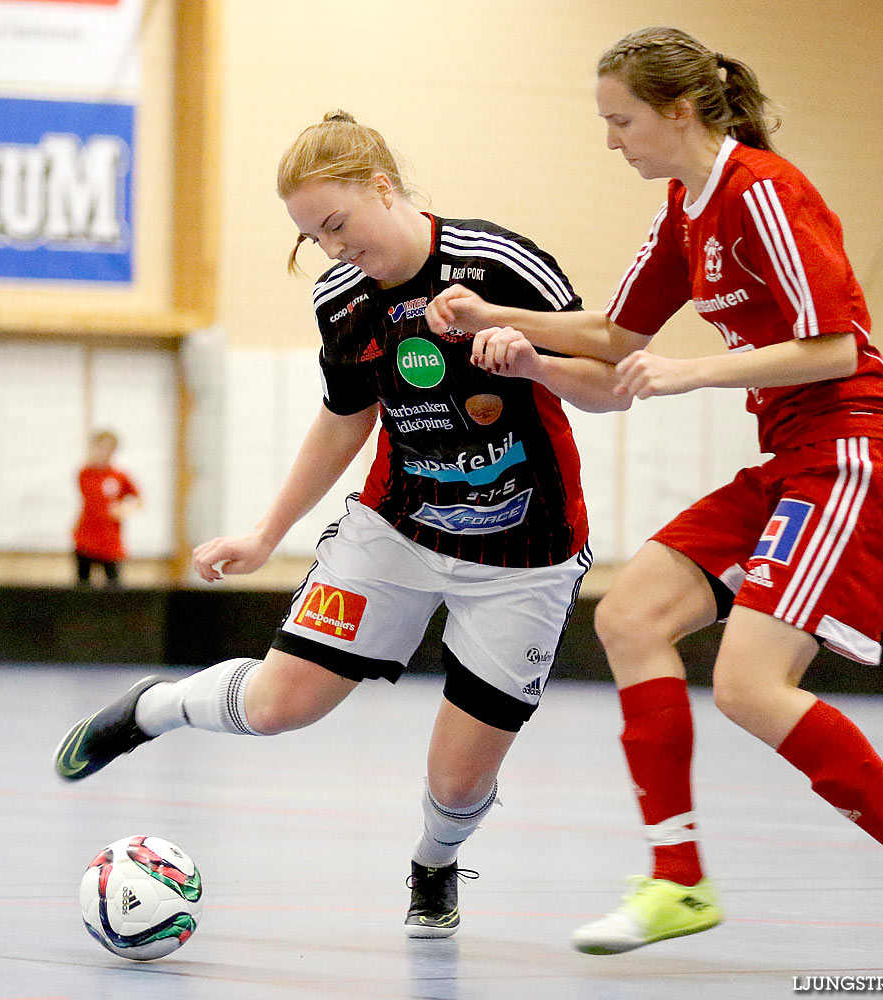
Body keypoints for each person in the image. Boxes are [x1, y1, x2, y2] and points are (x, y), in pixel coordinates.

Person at [427, 27, 883, 976]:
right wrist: (503, 324)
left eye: (622, 121)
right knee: (633, 615)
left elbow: (839, 349)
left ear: (680, 112)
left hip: (856, 450)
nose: (612, 140)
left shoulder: (764, 190)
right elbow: (612, 338)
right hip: (788, 456)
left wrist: (695, 371)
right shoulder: (684, 210)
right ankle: (679, 878)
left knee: (746, 685)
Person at [54, 111, 627, 937]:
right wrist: (263, 532)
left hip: (526, 553)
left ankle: (433, 862)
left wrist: (535, 359)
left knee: (460, 784)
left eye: (336, 224)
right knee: (281, 704)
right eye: (312, 237)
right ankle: (153, 710)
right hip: (396, 533)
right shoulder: (342, 301)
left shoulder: (498, 262)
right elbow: (343, 419)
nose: (331, 248)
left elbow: (610, 382)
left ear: (382, 188)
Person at [73, 429, 141, 588]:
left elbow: (138, 499)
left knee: (114, 587)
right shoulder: (85, 474)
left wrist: (123, 509)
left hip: (110, 542)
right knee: (82, 586)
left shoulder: (119, 476)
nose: (102, 452)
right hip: (86, 539)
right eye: (99, 447)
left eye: (107, 448)